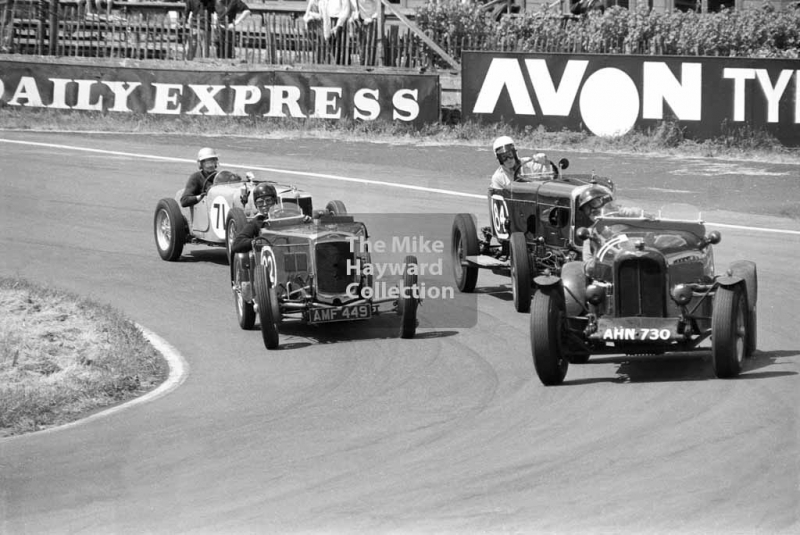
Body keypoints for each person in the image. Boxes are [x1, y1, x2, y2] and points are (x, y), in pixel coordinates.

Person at [230, 183, 312, 255]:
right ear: (256, 205)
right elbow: (236, 244)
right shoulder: (255, 223)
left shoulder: (286, 215)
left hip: (291, 251)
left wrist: (306, 221)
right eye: (260, 202)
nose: (265, 205)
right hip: (268, 258)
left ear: (275, 201)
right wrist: (255, 242)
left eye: (268, 201)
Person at [489, 136, 554, 190]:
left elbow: (549, 177)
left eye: (510, 154)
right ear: (499, 159)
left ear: (515, 153)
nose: (508, 159)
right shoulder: (498, 178)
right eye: (504, 157)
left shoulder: (529, 163)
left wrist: (545, 162)